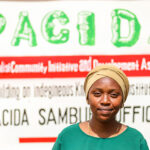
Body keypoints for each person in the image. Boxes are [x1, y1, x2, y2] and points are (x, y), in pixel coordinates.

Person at [52, 64, 149, 150]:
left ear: (123, 101)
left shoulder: (135, 141)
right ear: (87, 98)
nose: (105, 101)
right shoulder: (68, 137)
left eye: (114, 95)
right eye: (97, 94)